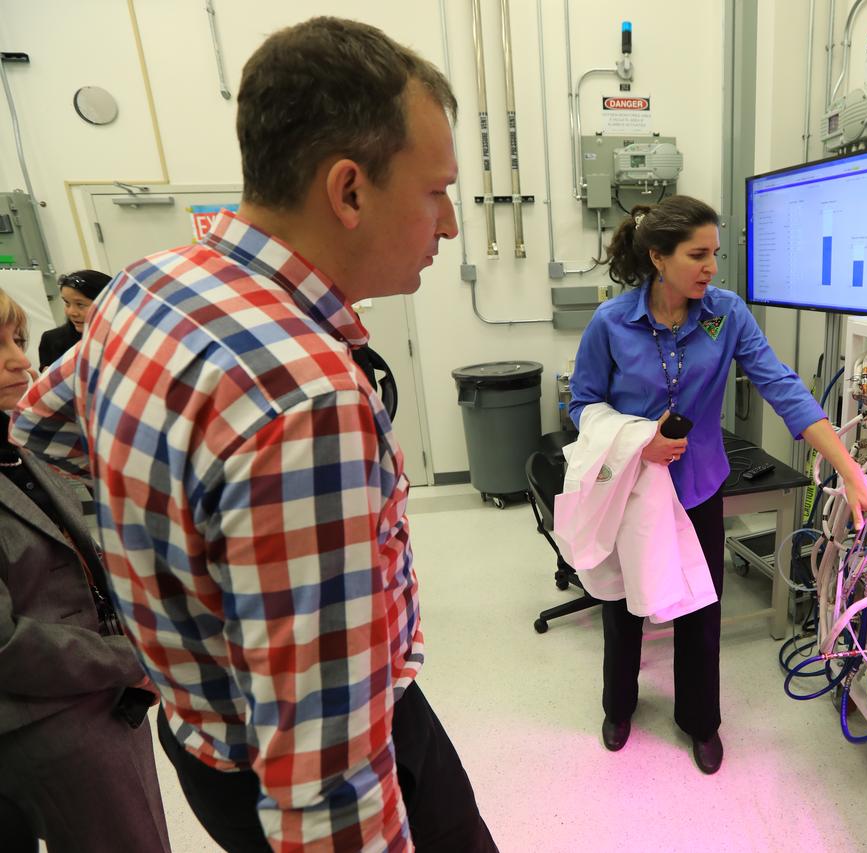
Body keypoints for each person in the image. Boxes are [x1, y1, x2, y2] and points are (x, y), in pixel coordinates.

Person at [10, 17, 496, 853]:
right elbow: (322, 776)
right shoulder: (308, 400)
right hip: (305, 762)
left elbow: (41, 436)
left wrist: (159, 584)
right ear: (348, 190)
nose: (448, 225)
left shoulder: (148, 284)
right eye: (435, 191)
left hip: (202, 737)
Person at [568, 195, 867, 774]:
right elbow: (582, 405)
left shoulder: (725, 315)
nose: (711, 267)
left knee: (700, 613)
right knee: (622, 607)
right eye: (697, 254)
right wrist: (638, 442)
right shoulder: (612, 322)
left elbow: (783, 387)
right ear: (658, 257)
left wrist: (852, 471)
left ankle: (700, 722)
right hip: (630, 490)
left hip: (699, 486)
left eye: (716, 253)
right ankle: (619, 707)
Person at [0, 289, 170, 852]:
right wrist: (133, 658)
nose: (20, 361)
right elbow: (6, 645)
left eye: (18, 341)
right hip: (47, 718)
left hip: (102, 698)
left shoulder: (16, 453)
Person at [38, 269, 111, 371]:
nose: (71, 312)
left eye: (80, 304)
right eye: (67, 303)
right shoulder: (51, 340)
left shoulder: (123, 337)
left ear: (107, 303)